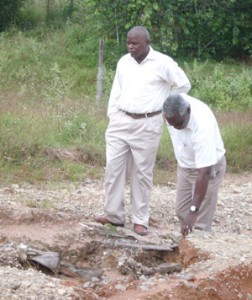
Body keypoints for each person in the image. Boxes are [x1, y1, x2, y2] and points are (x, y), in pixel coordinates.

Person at [95, 26, 191, 236]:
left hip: (148, 123)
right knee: (113, 169)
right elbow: (116, 89)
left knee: (142, 173)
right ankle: (113, 215)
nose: (130, 47)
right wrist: (113, 115)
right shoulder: (123, 62)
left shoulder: (162, 63)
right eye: (128, 42)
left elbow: (183, 85)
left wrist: (166, 105)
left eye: (135, 43)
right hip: (121, 121)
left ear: (147, 42)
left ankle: (140, 220)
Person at [163, 93, 226, 237]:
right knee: (181, 211)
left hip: (208, 168)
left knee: (199, 221)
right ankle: (188, 243)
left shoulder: (203, 126)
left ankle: (199, 253)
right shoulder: (173, 112)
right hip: (185, 166)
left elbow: (204, 173)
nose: (176, 128)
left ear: (188, 111)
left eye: (179, 123)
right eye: (171, 124)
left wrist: (194, 210)